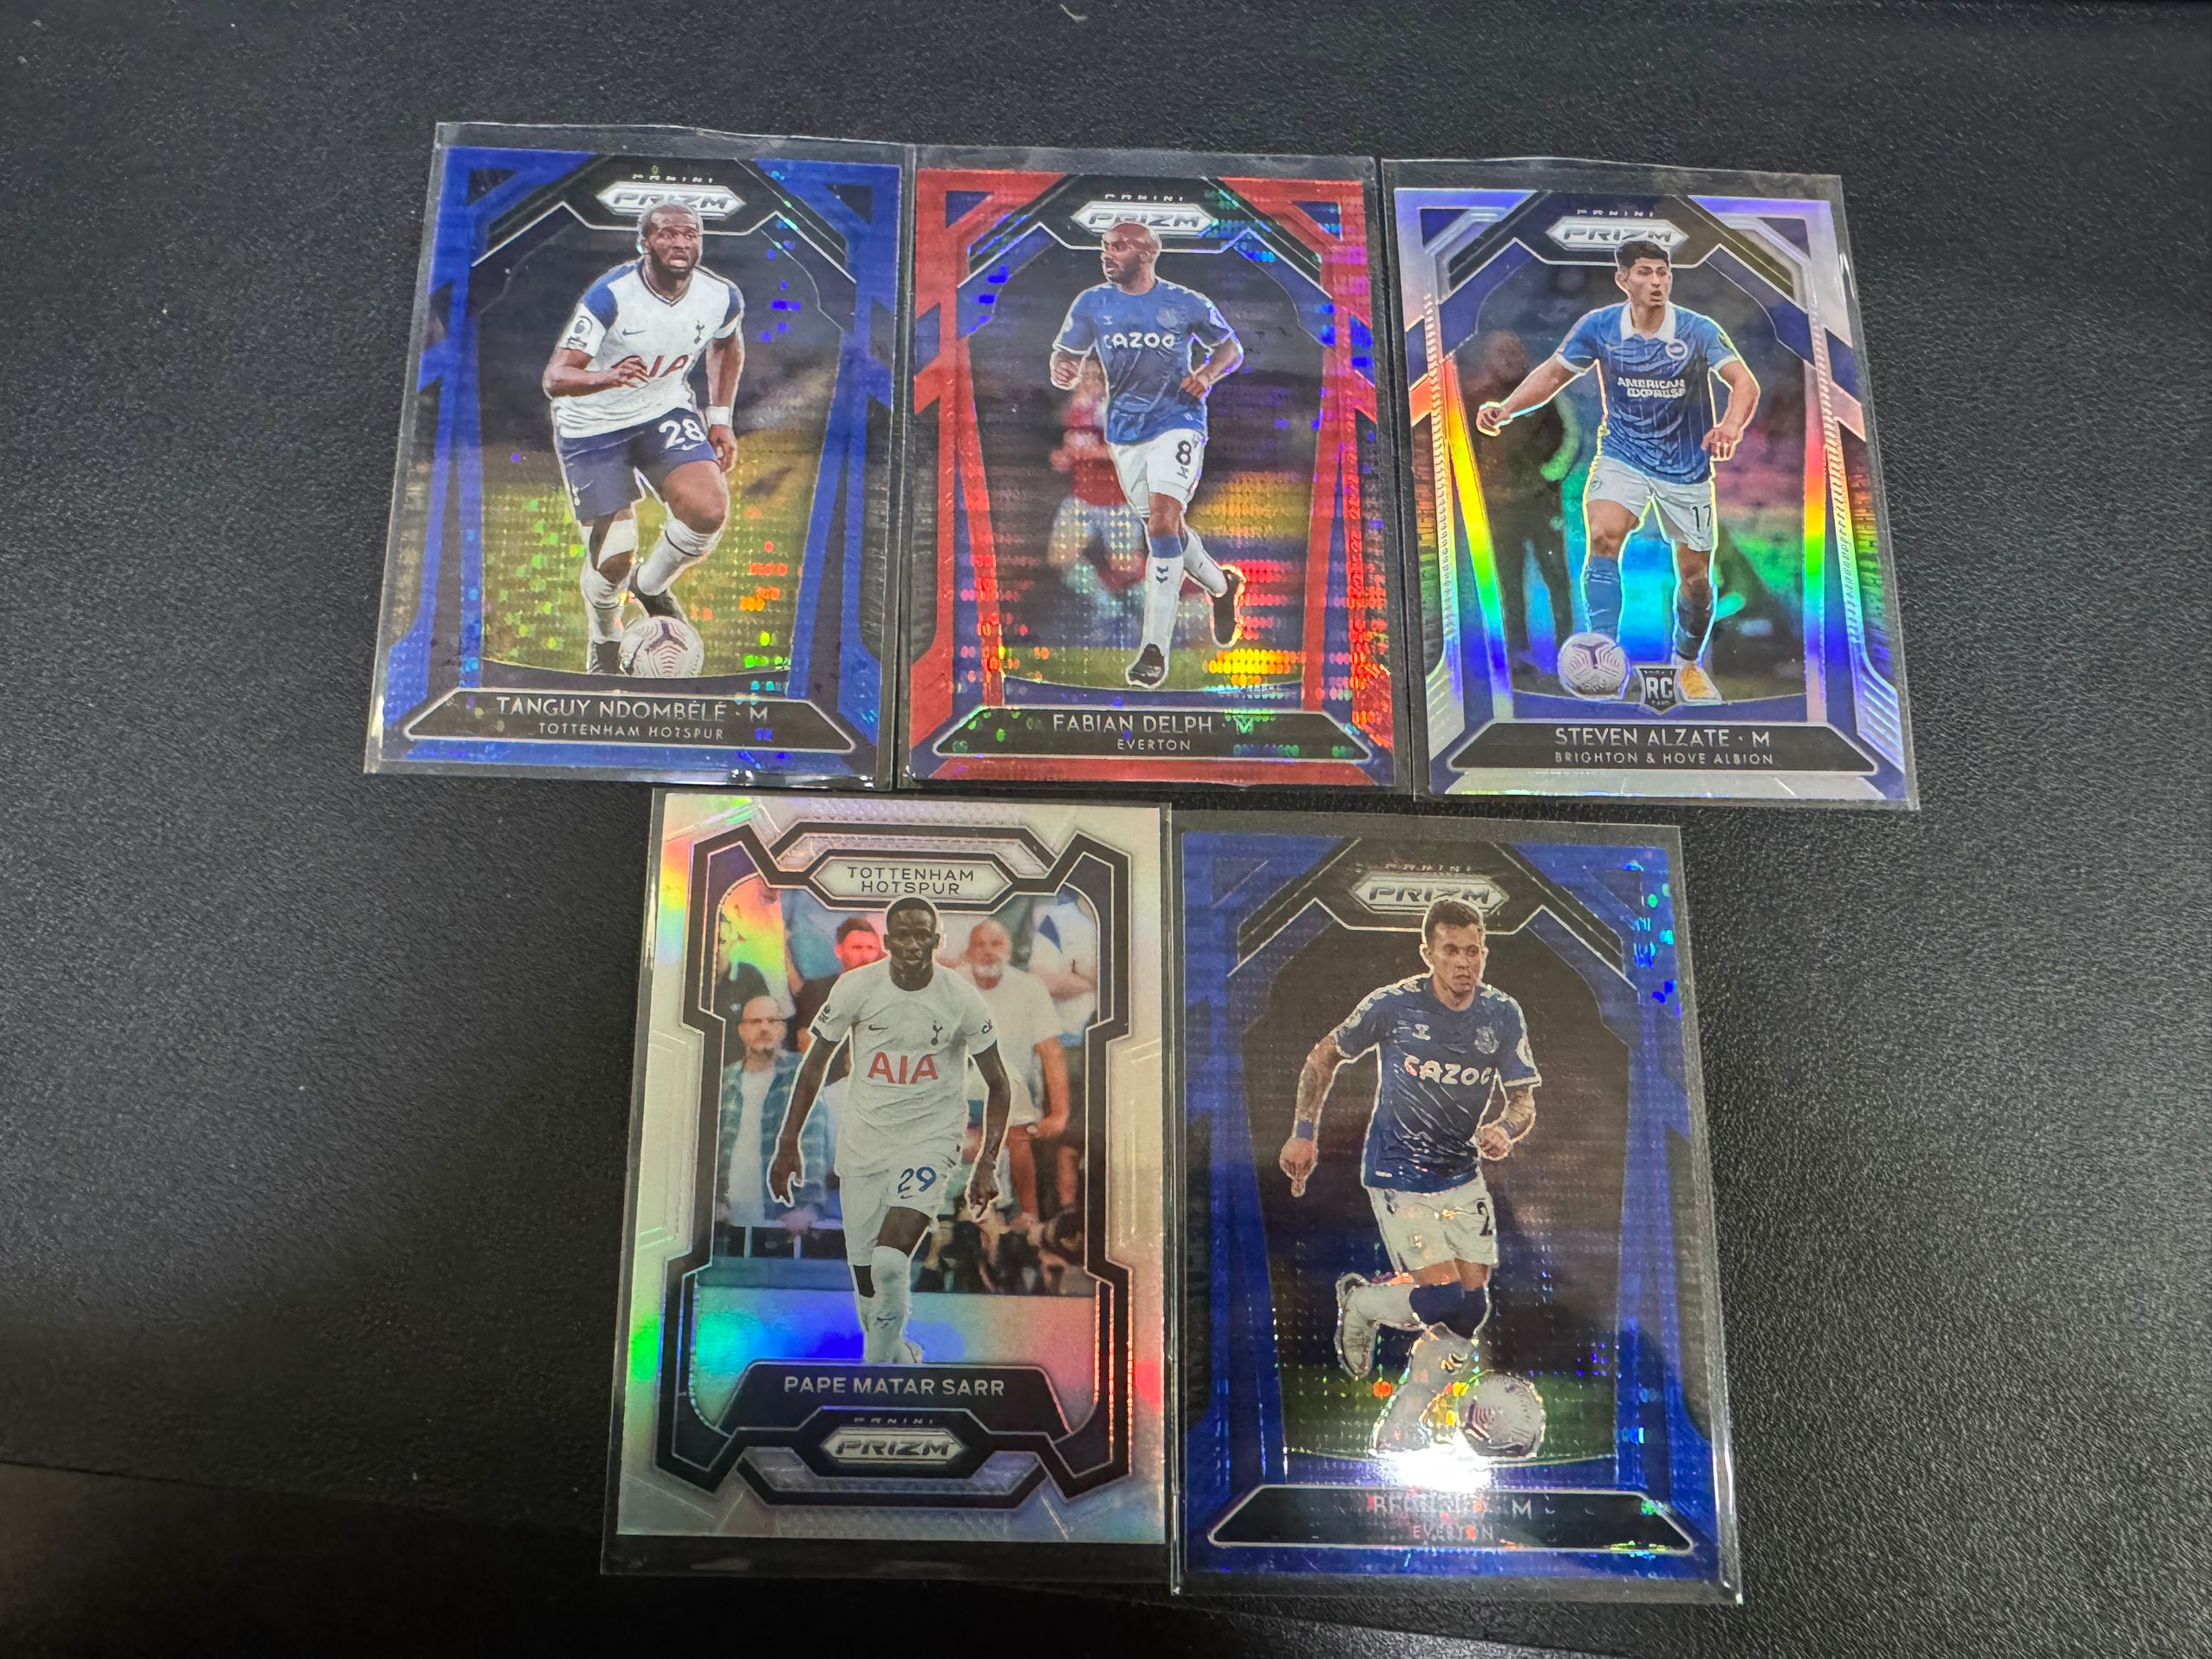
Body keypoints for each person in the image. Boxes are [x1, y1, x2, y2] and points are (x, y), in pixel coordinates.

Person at [1278, 899, 1540, 1454]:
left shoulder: (1502, 1013)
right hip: (1399, 1171)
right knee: (1442, 1296)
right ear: (1428, 953)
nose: (1464, 962)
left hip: (1461, 1174)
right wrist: (1304, 1132)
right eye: (1452, 951)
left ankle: (1401, 1424)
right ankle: (1364, 1303)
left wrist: (1504, 1128)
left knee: (1470, 1310)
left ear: (1484, 953)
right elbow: (1323, 1056)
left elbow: (1522, 1103)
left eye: (1474, 951)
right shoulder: (1392, 1005)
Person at [1475, 238, 1759, 703]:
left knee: (1696, 582)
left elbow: (1744, 383)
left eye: (1663, 272)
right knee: (1603, 537)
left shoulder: (1697, 329)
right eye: (1645, 272)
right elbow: (1553, 374)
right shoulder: (1599, 327)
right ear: (1623, 279)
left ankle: (1686, 663)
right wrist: (1507, 409)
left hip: (1685, 469)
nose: (1657, 281)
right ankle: (1601, 654)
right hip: (1622, 456)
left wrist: (1729, 427)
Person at [770, 899, 1012, 1363]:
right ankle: (894, 1352)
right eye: (903, 934)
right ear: (887, 942)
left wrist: (987, 1162)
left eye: (922, 935)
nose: (912, 944)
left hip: (930, 1138)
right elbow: (814, 1064)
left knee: (888, 1261)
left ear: (936, 941)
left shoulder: (960, 998)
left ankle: (877, 1372)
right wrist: (787, 1143)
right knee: (866, 1277)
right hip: (865, 1139)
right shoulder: (856, 987)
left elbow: (999, 1083)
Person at [542, 200, 743, 673]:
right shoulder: (611, 295)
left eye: (690, 234)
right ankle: (604, 638)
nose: (680, 243)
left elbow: (726, 343)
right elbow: (556, 378)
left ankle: (650, 586)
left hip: (661, 410)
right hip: (592, 426)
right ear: (645, 243)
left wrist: (719, 417)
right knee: (613, 558)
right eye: (667, 234)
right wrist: (606, 376)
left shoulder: (721, 295)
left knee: (708, 510)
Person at [1049, 220, 1246, 688]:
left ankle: (1153, 650)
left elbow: (1231, 348)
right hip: (1125, 433)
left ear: (1147, 253)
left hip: (1178, 422)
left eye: (1118, 246)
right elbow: (1066, 354)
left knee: (1161, 524)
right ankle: (1222, 587)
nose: (1107, 254)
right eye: (1105, 246)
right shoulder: (1092, 302)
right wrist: (1063, 367)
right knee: (1166, 529)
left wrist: (1206, 376)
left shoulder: (1186, 302)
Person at [1465, 330, 1577, 671]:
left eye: (1515, 350)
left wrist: (1550, 476)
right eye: (1502, 352)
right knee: (1508, 581)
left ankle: (1569, 649)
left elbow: (1573, 436)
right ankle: (1517, 654)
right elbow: (1464, 450)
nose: (1510, 357)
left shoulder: (1545, 394)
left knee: (1556, 575)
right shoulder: (1473, 401)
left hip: (1542, 504)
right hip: (1499, 507)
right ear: (1489, 358)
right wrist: (1480, 489)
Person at [955, 918, 1071, 1225]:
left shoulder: (1030, 988)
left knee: (1016, 1128)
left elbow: (1051, 1052)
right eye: (980, 944)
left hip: (1014, 1091)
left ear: (1008, 950)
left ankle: (1027, 1214)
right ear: (968, 952)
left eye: (996, 944)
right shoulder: (952, 985)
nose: (988, 951)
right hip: (961, 1087)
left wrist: (1059, 1114)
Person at [715, 997, 830, 1257]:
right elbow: (712, 1146)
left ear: (783, 1029)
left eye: (772, 1021)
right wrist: (713, 1202)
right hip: (728, 1217)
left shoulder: (800, 1075)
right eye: (755, 1021)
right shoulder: (725, 1079)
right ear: (742, 1030)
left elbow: (813, 1142)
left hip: (781, 1217)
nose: (764, 1027)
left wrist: (808, 1207)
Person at [1045, 359, 1153, 638]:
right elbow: (1069, 449)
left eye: (1095, 376)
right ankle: (1108, 611)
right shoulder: (1072, 410)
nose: (1089, 381)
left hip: (1117, 504)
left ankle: (1157, 622)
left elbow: (1133, 452)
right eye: (1084, 375)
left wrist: (1095, 453)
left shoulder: (1118, 410)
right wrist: (1064, 458)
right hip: (1082, 501)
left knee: (1127, 570)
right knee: (1062, 557)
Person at [1025, 893, 1099, 1214]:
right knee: (1057, 1136)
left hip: (1117, 1050)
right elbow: (1042, 981)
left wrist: (1080, 973)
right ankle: (1053, 1218)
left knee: (1101, 1138)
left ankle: (1088, 1217)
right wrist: (1098, 980)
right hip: (1068, 1048)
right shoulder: (1059, 919)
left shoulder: (1127, 912)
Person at [790, 918, 885, 1076]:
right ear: (839, 950)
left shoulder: (889, 994)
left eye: (871, 948)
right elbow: (806, 1046)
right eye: (857, 947)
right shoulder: (815, 991)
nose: (865, 956)